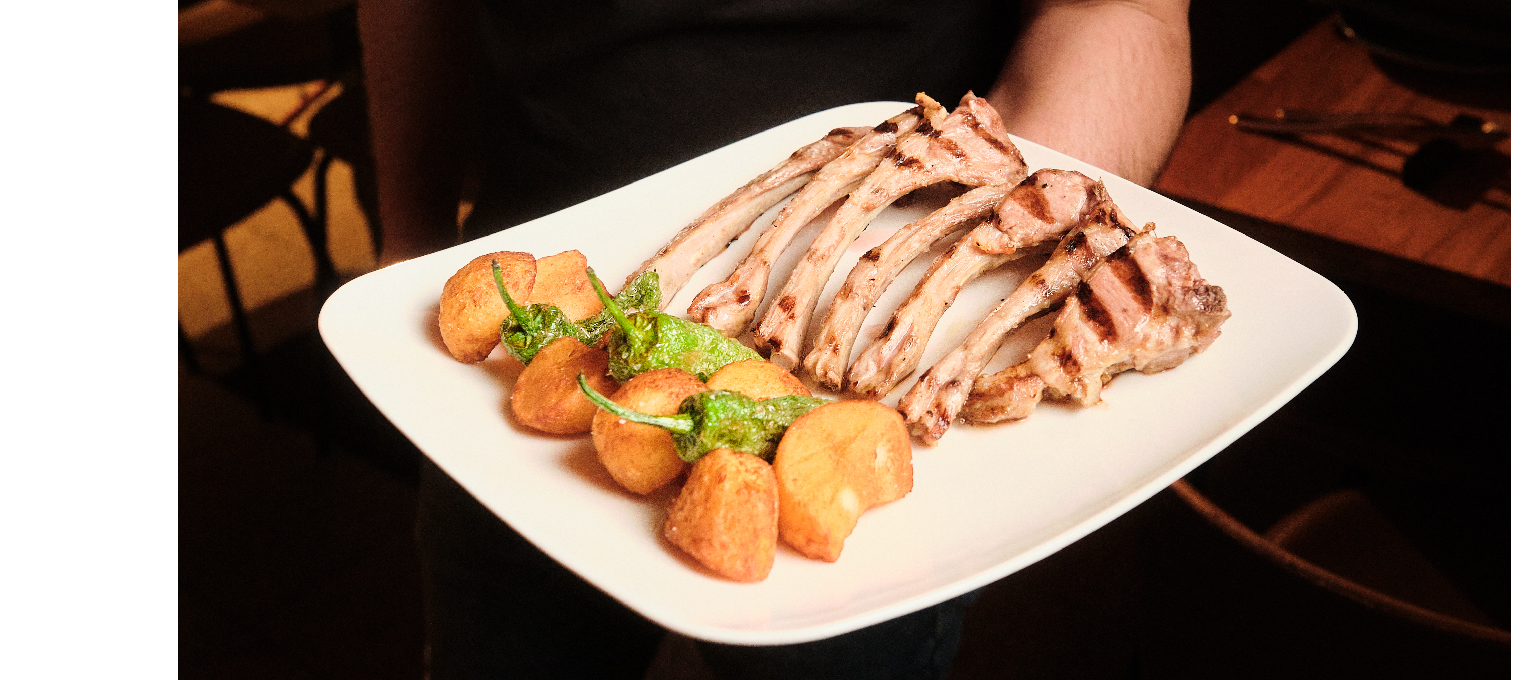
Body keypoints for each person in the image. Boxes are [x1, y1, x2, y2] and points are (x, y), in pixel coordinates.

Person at [357, 1, 1191, 677]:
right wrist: (409, 233)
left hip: (877, 370)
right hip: (520, 335)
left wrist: (983, 266)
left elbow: (1122, 13)